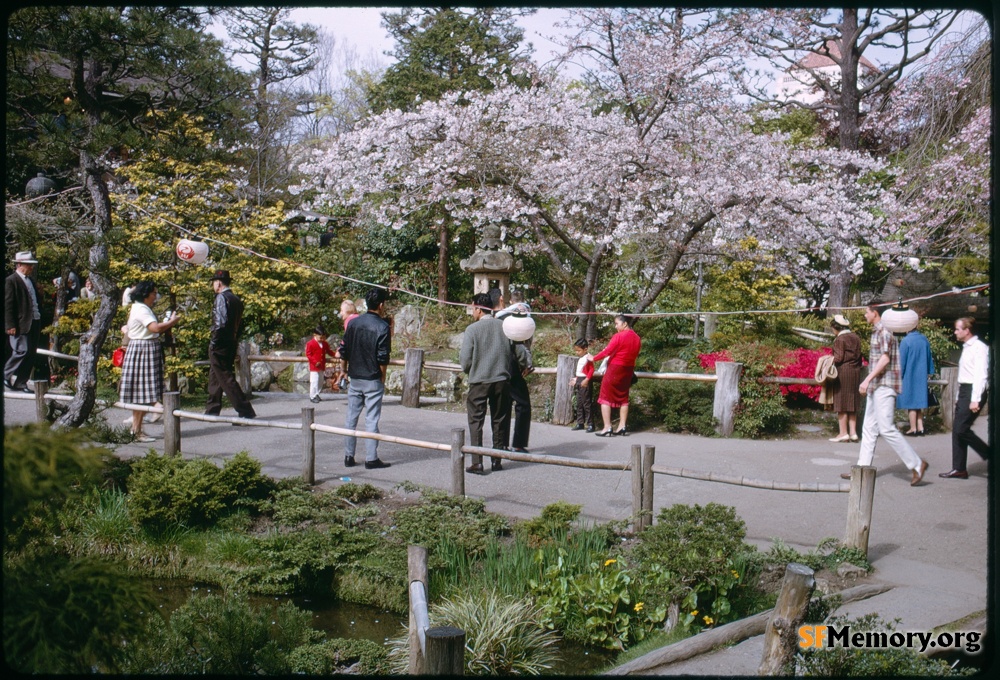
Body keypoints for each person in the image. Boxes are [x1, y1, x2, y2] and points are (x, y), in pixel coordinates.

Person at [840, 300, 927, 486]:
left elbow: (885, 359)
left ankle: (917, 464)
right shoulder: (878, 331)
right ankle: (861, 470)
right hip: (877, 386)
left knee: (886, 428)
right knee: (869, 428)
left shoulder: (885, 331)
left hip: (885, 386)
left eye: (867, 312)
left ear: (875, 313)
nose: (865, 315)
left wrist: (867, 379)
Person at [120, 281, 181, 442]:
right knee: (141, 393)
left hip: (144, 348)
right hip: (143, 349)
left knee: (141, 393)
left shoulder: (141, 307)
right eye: (154, 293)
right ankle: (138, 430)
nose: (156, 296)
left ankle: (136, 429)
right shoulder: (141, 309)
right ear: (145, 294)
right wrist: (172, 322)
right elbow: (155, 328)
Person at [460, 292, 513, 474]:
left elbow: (465, 360)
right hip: (501, 379)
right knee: (499, 420)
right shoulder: (504, 326)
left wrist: (471, 370)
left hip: (479, 380)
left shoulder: (472, 330)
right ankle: (497, 460)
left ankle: (477, 460)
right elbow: (518, 351)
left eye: (472, 307)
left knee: (476, 421)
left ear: (477, 308)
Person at [342, 287, 392, 469]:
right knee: (371, 419)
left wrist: (344, 370)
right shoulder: (383, 327)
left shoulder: (353, 323)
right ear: (381, 305)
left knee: (351, 417)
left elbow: (344, 350)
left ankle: (348, 456)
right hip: (372, 378)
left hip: (355, 376)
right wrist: (382, 378)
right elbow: (382, 357)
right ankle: (371, 458)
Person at [940, 317, 990, 479]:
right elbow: (964, 374)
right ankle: (959, 468)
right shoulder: (967, 348)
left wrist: (975, 398)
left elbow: (980, 375)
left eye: (957, 329)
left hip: (973, 391)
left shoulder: (979, 348)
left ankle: (991, 455)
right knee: (957, 430)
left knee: (962, 429)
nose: (955, 332)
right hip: (964, 391)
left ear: (966, 331)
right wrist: (958, 396)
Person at [204, 269, 256, 420]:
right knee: (216, 375)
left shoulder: (221, 298)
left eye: (214, 282)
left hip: (220, 342)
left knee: (226, 377)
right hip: (231, 341)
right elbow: (239, 325)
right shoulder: (236, 299)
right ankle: (212, 409)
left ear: (218, 283)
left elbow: (220, 324)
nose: (213, 285)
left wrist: (214, 342)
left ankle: (245, 410)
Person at [587, 314, 641, 436]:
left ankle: (607, 427)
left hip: (615, 367)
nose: (616, 326)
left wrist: (593, 358)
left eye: (617, 323)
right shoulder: (637, 338)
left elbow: (608, 351)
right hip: (628, 369)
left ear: (625, 323)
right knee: (623, 397)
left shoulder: (619, 336)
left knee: (605, 396)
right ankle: (622, 425)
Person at [494, 288, 533, 453]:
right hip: (514, 363)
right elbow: (522, 344)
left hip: (498, 362)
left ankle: (501, 443)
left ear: (510, 300)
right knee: (523, 404)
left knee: (504, 404)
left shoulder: (499, 317)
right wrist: (527, 364)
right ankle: (518, 442)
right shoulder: (526, 314)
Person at [4, 251, 42, 393]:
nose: (31, 268)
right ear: (19, 265)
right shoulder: (11, 280)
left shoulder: (30, 280)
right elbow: (8, 305)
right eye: (29, 265)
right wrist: (10, 325)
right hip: (20, 323)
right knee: (21, 350)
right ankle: (6, 374)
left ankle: (21, 382)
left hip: (34, 320)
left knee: (31, 353)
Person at [828, 314, 863, 442]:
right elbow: (859, 356)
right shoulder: (856, 337)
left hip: (843, 372)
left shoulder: (839, 339)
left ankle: (843, 433)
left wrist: (827, 360)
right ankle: (853, 433)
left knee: (841, 403)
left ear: (836, 327)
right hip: (855, 372)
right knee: (852, 403)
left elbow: (838, 358)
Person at [897, 325, 935, 436]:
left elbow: (902, 362)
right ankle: (920, 427)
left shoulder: (905, 341)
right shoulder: (924, 340)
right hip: (922, 374)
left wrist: (899, 375)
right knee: (919, 401)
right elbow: (929, 357)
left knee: (911, 402)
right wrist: (930, 372)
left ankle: (913, 428)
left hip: (909, 374)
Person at [305, 326, 336, 403]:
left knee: (320, 381)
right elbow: (308, 354)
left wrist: (335, 355)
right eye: (320, 337)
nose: (322, 339)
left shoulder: (324, 343)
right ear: (315, 335)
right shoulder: (310, 343)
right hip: (314, 366)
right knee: (314, 381)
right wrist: (315, 362)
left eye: (323, 337)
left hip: (321, 365)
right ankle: (312, 396)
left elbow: (329, 351)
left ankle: (317, 393)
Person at [333, 299, 359, 391]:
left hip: (354, 350)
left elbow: (347, 338)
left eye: (341, 310)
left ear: (348, 311)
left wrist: (339, 350)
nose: (340, 313)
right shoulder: (358, 317)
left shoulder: (349, 320)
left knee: (341, 355)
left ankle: (343, 373)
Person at [571, 338, 596, 432]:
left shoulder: (588, 357)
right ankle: (580, 422)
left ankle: (590, 424)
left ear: (585, 349)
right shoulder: (581, 358)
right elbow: (580, 371)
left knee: (586, 403)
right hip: (579, 380)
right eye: (576, 350)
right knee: (579, 403)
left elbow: (591, 370)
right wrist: (576, 379)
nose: (577, 352)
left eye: (579, 350)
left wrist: (587, 379)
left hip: (585, 380)